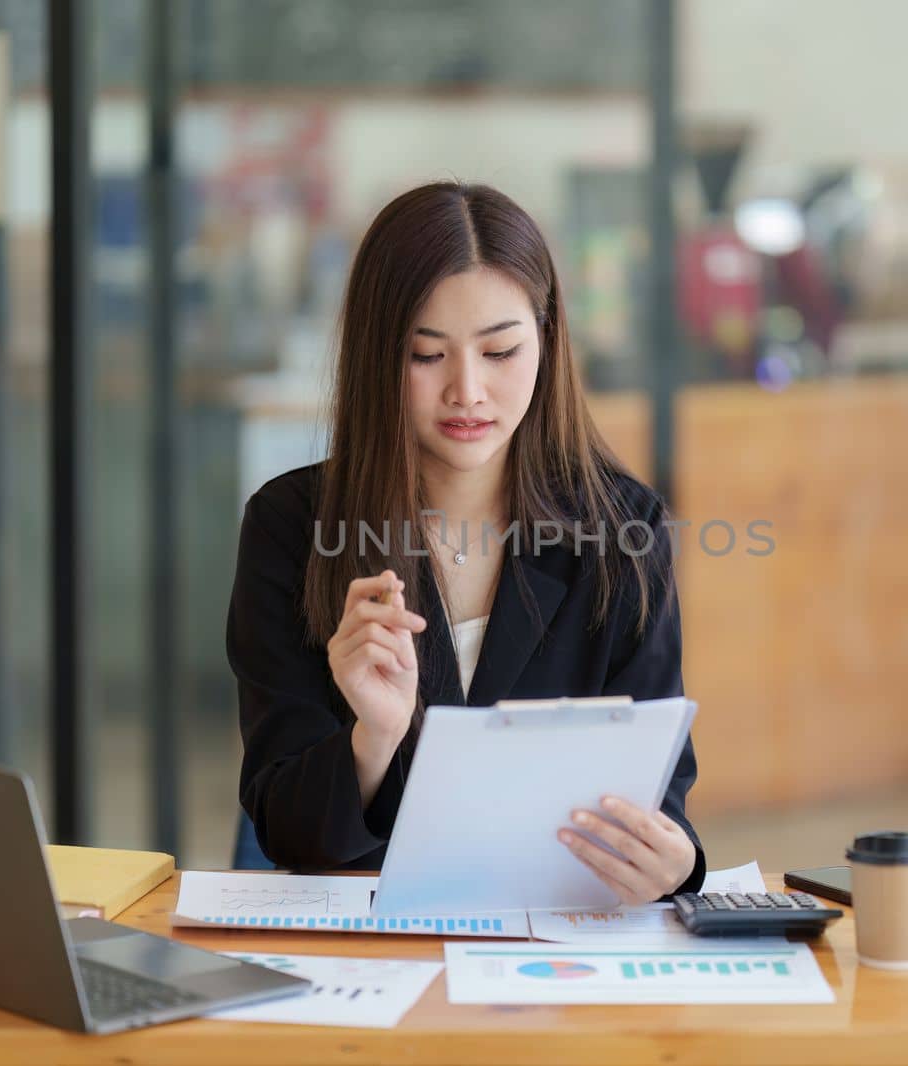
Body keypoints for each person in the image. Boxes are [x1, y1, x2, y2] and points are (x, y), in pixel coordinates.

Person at [229, 181, 703, 903]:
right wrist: (373, 738)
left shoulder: (623, 532)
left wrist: (674, 866)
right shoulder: (292, 526)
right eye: (426, 356)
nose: (468, 391)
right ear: (376, 356)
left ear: (546, 342)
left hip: (556, 950)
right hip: (363, 957)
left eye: (501, 350)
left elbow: (660, 800)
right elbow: (286, 836)